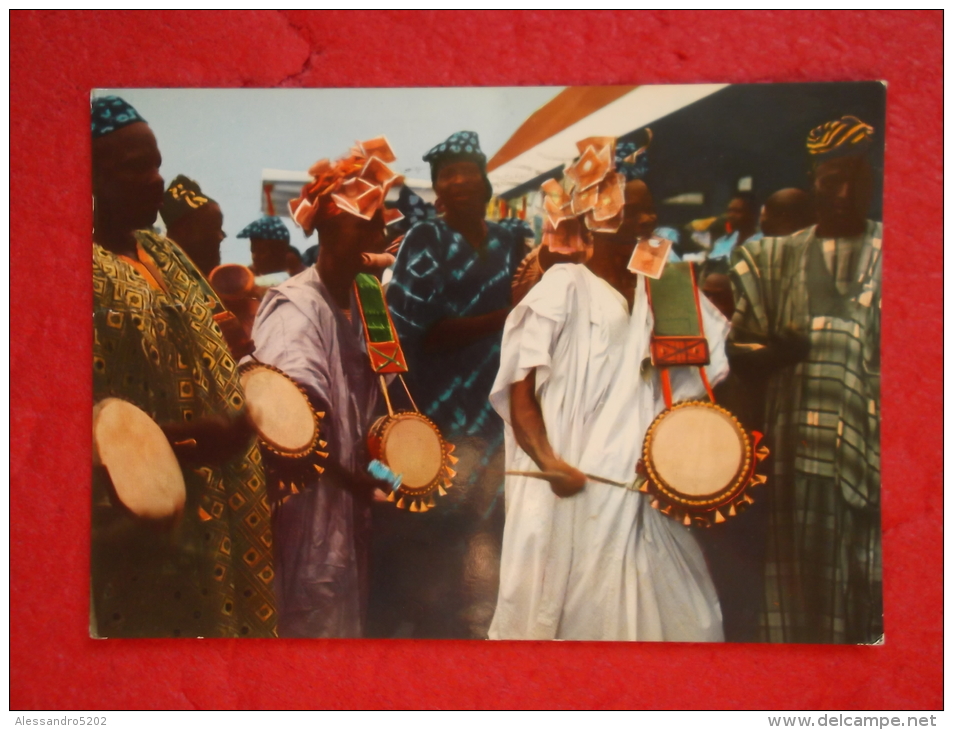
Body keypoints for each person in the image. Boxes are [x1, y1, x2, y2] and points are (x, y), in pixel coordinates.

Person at [488, 139, 728, 642]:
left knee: (683, 624)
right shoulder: (563, 286)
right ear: (600, 215)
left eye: (649, 210)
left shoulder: (667, 286)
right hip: (569, 485)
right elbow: (520, 392)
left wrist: (698, 467)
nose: (649, 220)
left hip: (645, 489)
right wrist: (548, 462)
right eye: (637, 210)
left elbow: (699, 390)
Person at [91, 96, 276, 638]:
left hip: (227, 492)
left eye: (156, 164)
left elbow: (216, 337)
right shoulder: (65, 264)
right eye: (134, 167)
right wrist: (188, 441)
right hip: (147, 514)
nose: (154, 180)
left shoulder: (163, 251)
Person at [728, 115, 882, 644]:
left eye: (857, 178)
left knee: (874, 588)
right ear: (814, 179)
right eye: (831, 179)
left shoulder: (900, 255)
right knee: (796, 596)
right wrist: (774, 352)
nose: (844, 192)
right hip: (796, 457)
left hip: (877, 459)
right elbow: (737, 351)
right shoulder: (777, 259)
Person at [249, 140, 401, 637]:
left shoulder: (367, 299)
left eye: (382, 222)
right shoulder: (296, 308)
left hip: (350, 503)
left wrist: (391, 472)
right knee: (308, 625)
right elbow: (292, 428)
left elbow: (375, 407)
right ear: (331, 230)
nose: (381, 232)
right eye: (369, 222)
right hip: (306, 507)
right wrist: (357, 481)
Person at [377, 132, 523, 638]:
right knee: (444, 540)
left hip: (501, 415)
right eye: (445, 175)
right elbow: (418, 336)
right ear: (437, 189)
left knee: (496, 540)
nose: (456, 183)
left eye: (464, 171)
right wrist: (505, 316)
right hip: (443, 415)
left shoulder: (512, 239)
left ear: (485, 180)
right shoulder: (426, 241)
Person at [159, 175, 226, 277]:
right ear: (181, 232)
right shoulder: (158, 275)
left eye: (219, 228)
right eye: (211, 228)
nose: (220, 237)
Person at [705, 192, 762, 277]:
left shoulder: (761, 243)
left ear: (752, 215)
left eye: (737, 211)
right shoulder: (722, 241)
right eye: (729, 211)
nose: (731, 215)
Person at [237, 215, 293, 287]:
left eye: (261, 251)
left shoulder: (283, 281)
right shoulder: (253, 274)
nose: (255, 257)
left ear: (279, 252)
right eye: (253, 250)